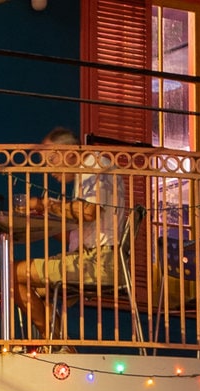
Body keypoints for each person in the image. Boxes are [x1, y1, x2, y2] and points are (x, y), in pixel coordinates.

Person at [14, 128, 131, 339]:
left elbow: (89, 211)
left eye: (51, 159)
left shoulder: (94, 166)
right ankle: (56, 343)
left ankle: (55, 342)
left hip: (98, 261)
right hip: (87, 257)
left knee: (12, 273)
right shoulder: (85, 172)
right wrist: (43, 219)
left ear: (67, 151)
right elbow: (75, 235)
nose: (49, 169)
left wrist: (45, 204)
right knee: (28, 286)